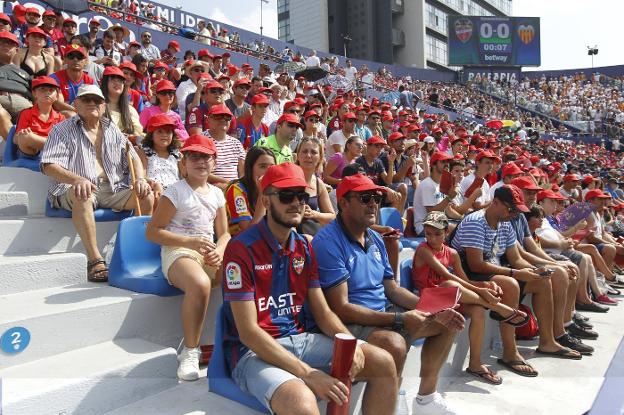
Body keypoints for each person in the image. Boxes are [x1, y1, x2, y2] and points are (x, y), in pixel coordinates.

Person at [221, 162, 398, 414]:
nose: (296, 202)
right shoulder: (241, 248)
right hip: (253, 351)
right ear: (267, 201)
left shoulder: (304, 247)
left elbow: (324, 313)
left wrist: (351, 342)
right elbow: (249, 332)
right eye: (286, 195)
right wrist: (309, 374)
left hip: (300, 339)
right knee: (302, 401)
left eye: (302, 196)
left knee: (383, 362)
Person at [313, 174, 466, 415]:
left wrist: (431, 309)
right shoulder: (328, 242)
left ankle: (424, 401)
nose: (374, 203)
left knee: (447, 322)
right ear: (343, 203)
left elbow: (392, 289)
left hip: (381, 315)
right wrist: (400, 319)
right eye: (365, 198)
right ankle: (390, 406)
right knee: (394, 343)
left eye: (376, 197)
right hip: (348, 324)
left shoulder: (374, 237)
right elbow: (340, 308)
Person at [450, 185, 582, 378]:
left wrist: (533, 270)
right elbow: (476, 265)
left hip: (491, 270)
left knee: (542, 280)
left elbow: (516, 258)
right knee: (510, 283)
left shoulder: (505, 222)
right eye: (511, 209)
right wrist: (516, 273)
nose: (514, 214)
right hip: (468, 275)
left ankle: (547, 341)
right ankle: (510, 352)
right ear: (495, 203)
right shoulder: (475, 222)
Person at [40, 84, 153, 282]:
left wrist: (141, 178)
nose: (92, 103)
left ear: (103, 105)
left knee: (147, 195)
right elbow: (48, 165)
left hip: (112, 188)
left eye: (97, 100)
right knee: (81, 193)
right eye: (86, 99)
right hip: (73, 186)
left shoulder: (112, 129)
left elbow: (133, 156)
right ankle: (95, 260)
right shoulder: (61, 130)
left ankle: (139, 252)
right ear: (76, 104)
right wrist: (77, 179)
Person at [146, 134, 230, 381]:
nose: (200, 161)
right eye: (194, 156)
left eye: (205, 156)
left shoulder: (216, 193)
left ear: (214, 162)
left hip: (206, 253)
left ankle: (237, 341)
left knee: (243, 274)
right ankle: (191, 351)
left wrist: (220, 251)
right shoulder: (175, 191)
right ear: (184, 162)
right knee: (200, 283)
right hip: (178, 251)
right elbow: (152, 232)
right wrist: (189, 242)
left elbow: (224, 234)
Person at [412, 211, 530, 385]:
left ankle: (475, 363)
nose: (432, 239)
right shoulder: (423, 249)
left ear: (446, 233)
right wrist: (479, 290)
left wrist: (484, 286)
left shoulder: (451, 253)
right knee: (450, 284)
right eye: (428, 234)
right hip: (427, 301)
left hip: (449, 298)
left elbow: (465, 281)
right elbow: (447, 275)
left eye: (437, 234)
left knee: (477, 310)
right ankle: (500, 308)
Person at [13, 76, 64, 158]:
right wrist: (24, 135)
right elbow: (16, 139)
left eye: (51, 90)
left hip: (52, 154)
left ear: (57, 96)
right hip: (30, 153)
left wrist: (35, 139)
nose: (47, 92)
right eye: (42, 89)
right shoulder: (26, 113)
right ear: (34, 93)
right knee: (24, 137)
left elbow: (62, 142)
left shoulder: (61, 117)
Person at [137, 113, 182, 202]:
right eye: (160, 131)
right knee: (157, 196)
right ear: (151, 135)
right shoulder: (144, 152)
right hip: (154, 191)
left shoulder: (177, 155)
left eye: (168, 132)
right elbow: (141, 176)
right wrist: (154, 185)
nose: (164, 135)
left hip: (176, 193)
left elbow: (187, 176)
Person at [295, 137, 336, 234]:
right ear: (298, 155)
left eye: (313, 152)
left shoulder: (319, 184)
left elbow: (332, 216)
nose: (308, 155)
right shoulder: (288, 179)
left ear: (320, 158)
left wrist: (313, 214)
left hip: (311, 236)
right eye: (304, 151)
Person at [203, 104, 245, 189]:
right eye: (218, 116)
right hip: (210, 189)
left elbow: (242, 173)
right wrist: (228, 183)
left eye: (227, 117)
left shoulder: (236, 143)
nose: (223, 120)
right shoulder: (201, 140)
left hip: (234, 190)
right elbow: (200, 172)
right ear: (208, 119)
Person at [100, 66, 143, 142]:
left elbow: (137, 133)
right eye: (113, 79)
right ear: (105, 82)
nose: (117, 83)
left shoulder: (130, 110)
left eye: (120, 80)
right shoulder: (97, 106)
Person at [50, 44, 95, 111]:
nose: (75, 59)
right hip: (61, 117)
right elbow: (57, 105)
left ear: (85, 61)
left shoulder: (90, 81)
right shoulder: (55, 78)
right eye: (71, 56)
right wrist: (77, 111)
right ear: (64, 60)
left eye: (79, 57)